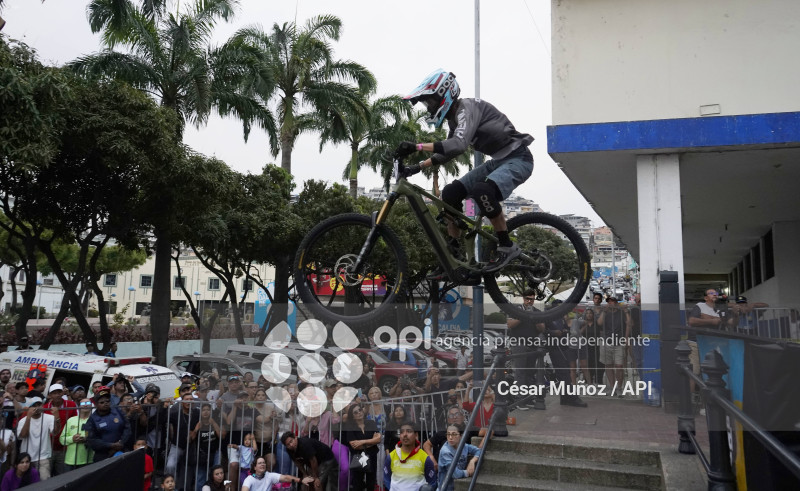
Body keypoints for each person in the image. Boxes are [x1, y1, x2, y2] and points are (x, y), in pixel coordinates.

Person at [397, 69, 534, 273]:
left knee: (482, 191)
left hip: (518, 158)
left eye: (431, 102)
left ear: (445, 94)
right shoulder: (455, 119)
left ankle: (507, 244)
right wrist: (417, 167)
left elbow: (459, 144)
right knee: (450, 194)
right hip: (498, 161)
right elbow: (449, 151)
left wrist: (417, 146)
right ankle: (454, 251)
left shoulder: (466, 109)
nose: (430, 108)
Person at [507, 289, 545, 410]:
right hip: (518, 343)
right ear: (523, 299)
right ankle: (519, 400)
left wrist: (534, 319)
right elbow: (510, 324)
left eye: (532, 299)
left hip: (532, 344)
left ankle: (527, 398)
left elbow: (542, 328)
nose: (529, 301)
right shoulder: (516, 309)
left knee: (529, 372)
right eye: (527, 299)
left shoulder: (537, 312)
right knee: (520, 371)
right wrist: (523, 316)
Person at [383, 421, 436, 491]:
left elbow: (432, 482)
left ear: (416, 435)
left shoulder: (425, 458)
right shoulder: (391, 456)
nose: (405, 434)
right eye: (401, 432)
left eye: (409, 431)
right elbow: (386, 478)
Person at [85, 386, 131, 462]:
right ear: (96, 404)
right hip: (102, 455)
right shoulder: (92, 419)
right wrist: (111, 446)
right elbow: (91, 440)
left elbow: (127, 428)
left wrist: (121, 443)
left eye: (107, 401)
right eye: (102, 402)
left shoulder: (118, 412)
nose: (105, 403)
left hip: (121, 450)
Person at [341, 404, 380, 491]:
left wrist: (363, 442)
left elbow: (378, 439)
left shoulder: (371, 423)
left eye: (360, 410)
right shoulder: (350, 427)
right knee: (358, 483)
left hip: (372, 455)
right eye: (355, 412)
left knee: (371, 482)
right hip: (358, 457)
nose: (359, 413)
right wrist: (371, 442)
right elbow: (355, 446)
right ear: (353, 416)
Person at [15, 397, 55, 479]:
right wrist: (28, 418)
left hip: (43, 456)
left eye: (39, 404)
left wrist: (57, 418)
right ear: (29, 407)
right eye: (34, 405)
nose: (37, 407)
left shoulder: (49, 417)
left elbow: (55, 432)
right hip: (26, 458)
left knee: (44, 481)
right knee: (27, 482)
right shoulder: (23, 421)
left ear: (42, 405)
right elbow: (22, 435)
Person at [597, 296, 630, 394]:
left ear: (616, 302)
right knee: (608, 365)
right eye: (609, 302)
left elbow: (629, 323)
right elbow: (599, 323)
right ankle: (612, 387)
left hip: (619, 343)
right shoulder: (605, 313)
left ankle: (619, 387)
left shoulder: (621, 313)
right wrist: (604, 311)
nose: (611, 303)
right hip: (606, 342)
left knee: (619, 366)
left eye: (613, 301)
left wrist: (626, 311)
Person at [42, 383, 77, 475]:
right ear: (50, 395)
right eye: (54, 393)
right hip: (48, 448)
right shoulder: (45, 408)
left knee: (61, 476)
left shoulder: (71, 404)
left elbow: (74, 424)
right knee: (46, 476)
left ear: (63, 393)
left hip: (64, 448)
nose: (57, 395)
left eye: (59, 392)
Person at [191, 402, 224, 491]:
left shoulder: (214, 420)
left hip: (215, 452)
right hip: (201, 454)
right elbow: (191, 438)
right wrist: (196, 429)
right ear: (200, 412)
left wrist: (213, 423)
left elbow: (221, 436)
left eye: (208, 410)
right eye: (203, 410)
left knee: (216, 476)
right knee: (200, 478)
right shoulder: (197, 422)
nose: (206, 412)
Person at [437, 424, 481, 491]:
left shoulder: (464, 446)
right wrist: (468, 472)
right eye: (448, 434)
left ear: (460, 436)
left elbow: (479, 451)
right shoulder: (445, 452)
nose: (451, 437)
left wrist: (472, 461)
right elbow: (455, 474)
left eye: (454, 434)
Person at [241, 454, 313, 491]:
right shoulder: (249, 479)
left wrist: (300, 480)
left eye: (263, 463)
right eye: (260, 463)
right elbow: (244, 489)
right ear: (255, 467)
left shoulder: (269, 475)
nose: (262, 464)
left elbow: (285, 478)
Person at [58, 397, 93, 470]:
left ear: (92, 406)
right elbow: (62, 439)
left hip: (88, 460)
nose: (85, 405)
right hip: (70, 461)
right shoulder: (71, 420)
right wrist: (72, 439)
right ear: (79, 406)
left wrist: (86, 439)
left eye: (88, 403)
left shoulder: (95, 420)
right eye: (83, 403)